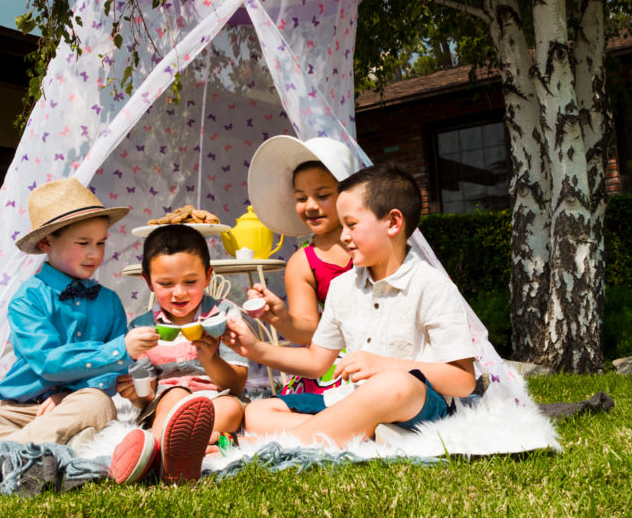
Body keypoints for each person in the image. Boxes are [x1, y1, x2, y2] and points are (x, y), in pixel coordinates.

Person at [0, 178, 160, 482]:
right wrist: (120, 349)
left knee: (97, 403)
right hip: (19, 412)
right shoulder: (27, 299)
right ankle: (50, 449)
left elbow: (111, 377)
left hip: (75, 407)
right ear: (45, 244)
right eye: (83, 243)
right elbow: (46, 360)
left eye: (100, 243)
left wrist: (70, 394)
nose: (94, 253)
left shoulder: (109, 302)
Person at [226, 164, 477, 444]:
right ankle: (362, 433)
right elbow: (316, 361)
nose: (344, 236)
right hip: (351, 397)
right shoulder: (342, 287)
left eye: (352, 225)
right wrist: (256, 349)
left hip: (417, 403)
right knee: (259, 412)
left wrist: (383, 365)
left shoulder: (432, 286)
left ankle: (281, 444)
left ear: (393, 223)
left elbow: (463, 381)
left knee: (393, 384)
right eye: (343, 225)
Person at [109, 224, 248, 484]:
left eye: (190, 281)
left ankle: (167, 454)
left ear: (208, 276)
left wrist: (210, 358)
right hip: (166, 401)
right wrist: (136, 392)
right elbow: (146, 395)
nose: (179, 292)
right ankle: (171, 450)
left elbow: (237, 384)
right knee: (176, 394)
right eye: (166, 283)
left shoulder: (225, 315)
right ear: (149, 281)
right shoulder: (142, 327)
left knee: (230, 408)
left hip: (217, 397)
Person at [245, 135, 358, 395]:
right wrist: (282, 318)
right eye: (301, 197)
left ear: (347, 195)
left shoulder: (371, 245)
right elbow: (309, 330)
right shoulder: (302, 263)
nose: (311, 206)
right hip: (331, 359)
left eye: (322, 195)